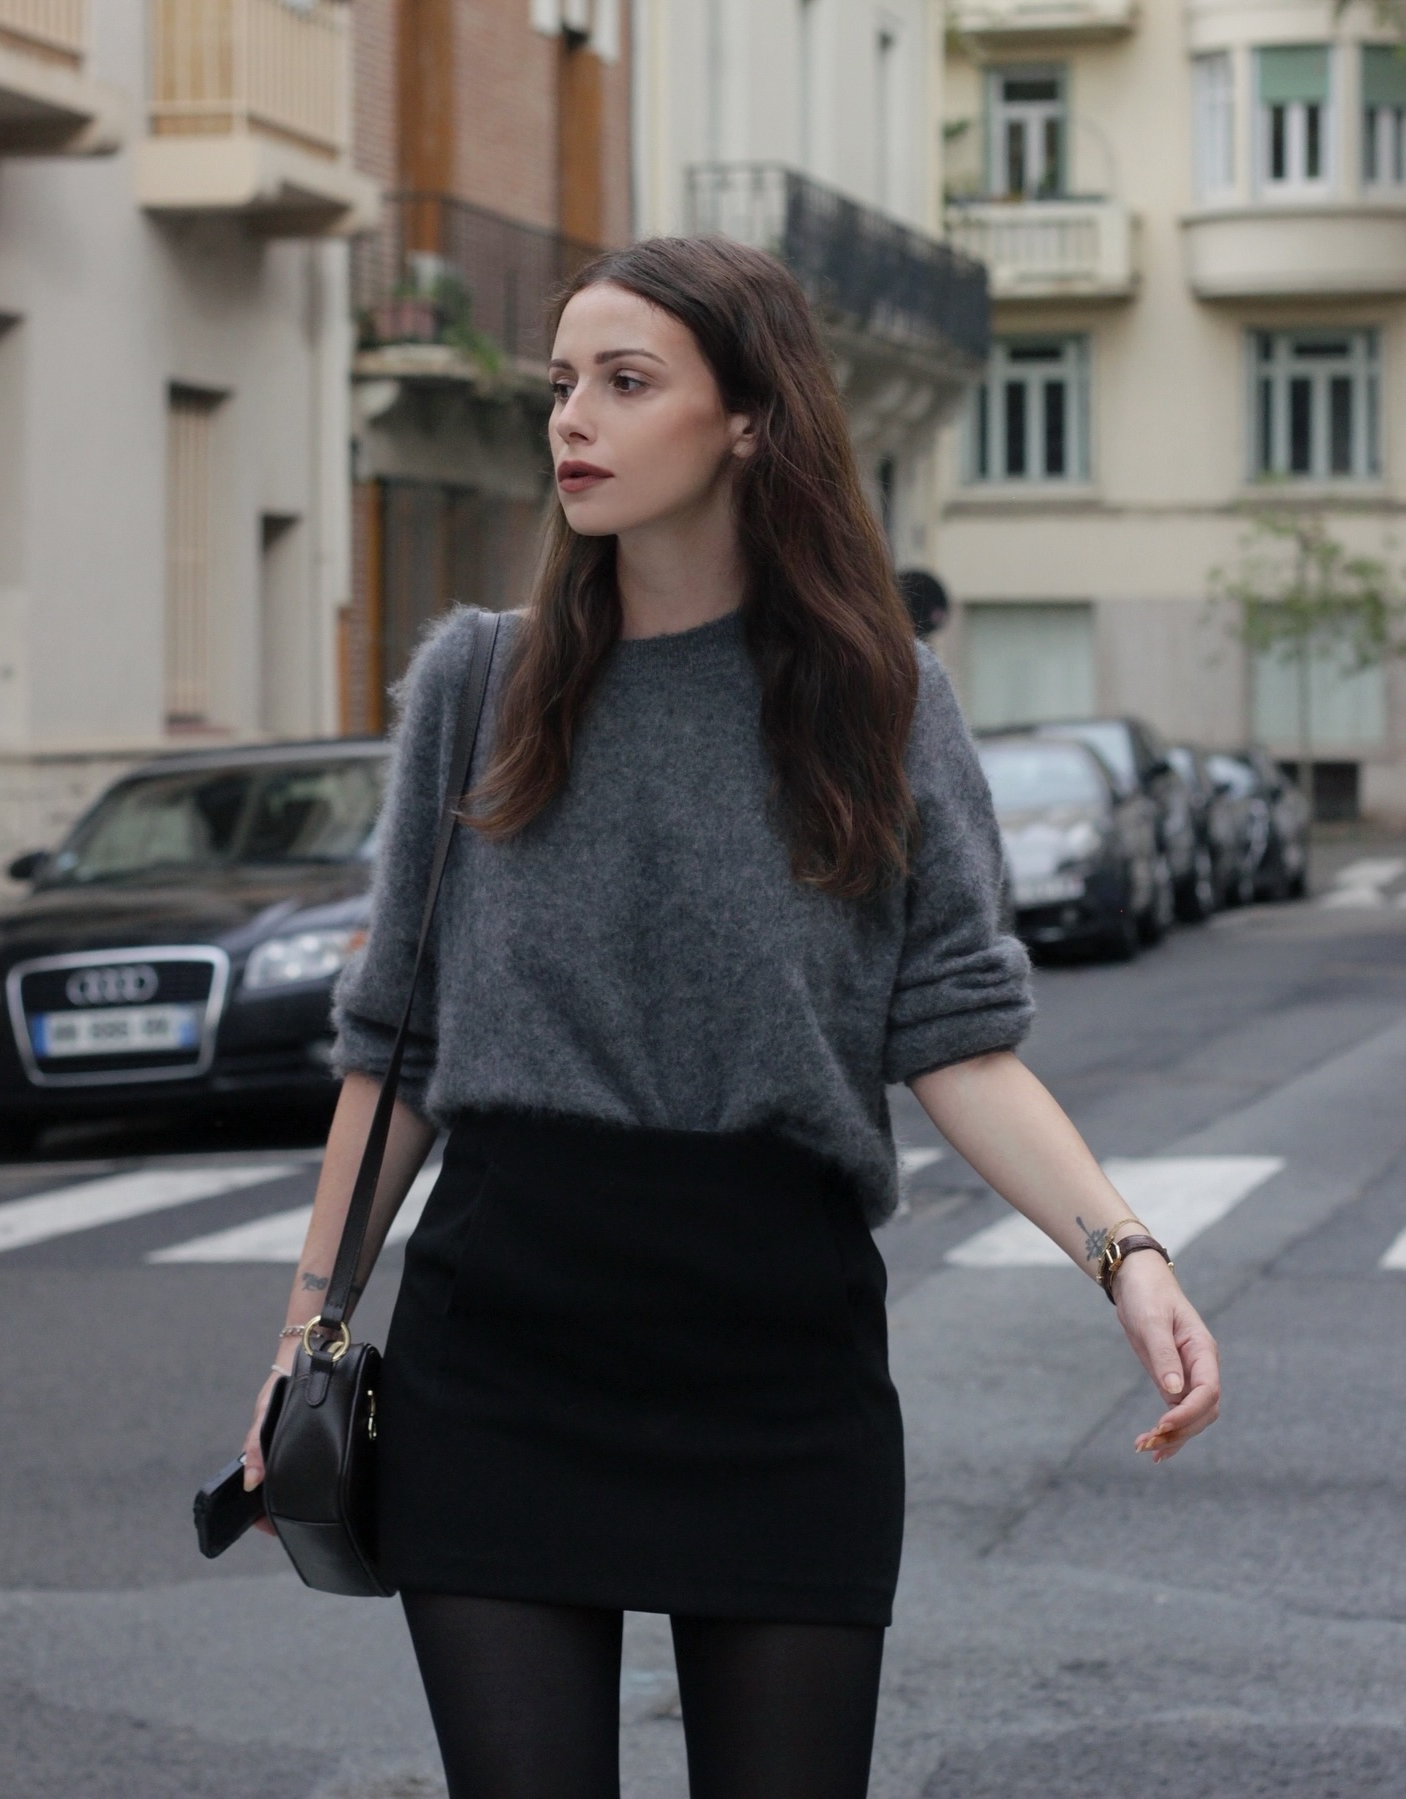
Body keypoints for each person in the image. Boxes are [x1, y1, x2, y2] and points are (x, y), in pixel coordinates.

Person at [240, 236, 1220, 1799]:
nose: (574, 419)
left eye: (627, 383)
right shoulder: (479, 687)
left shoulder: (880, 700)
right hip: (503, 1351)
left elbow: (958, 1039)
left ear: (752, 418)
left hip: (779, 1355)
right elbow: (397, 1051)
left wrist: (1128, 1254)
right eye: (563, 382)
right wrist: (308, 1331)